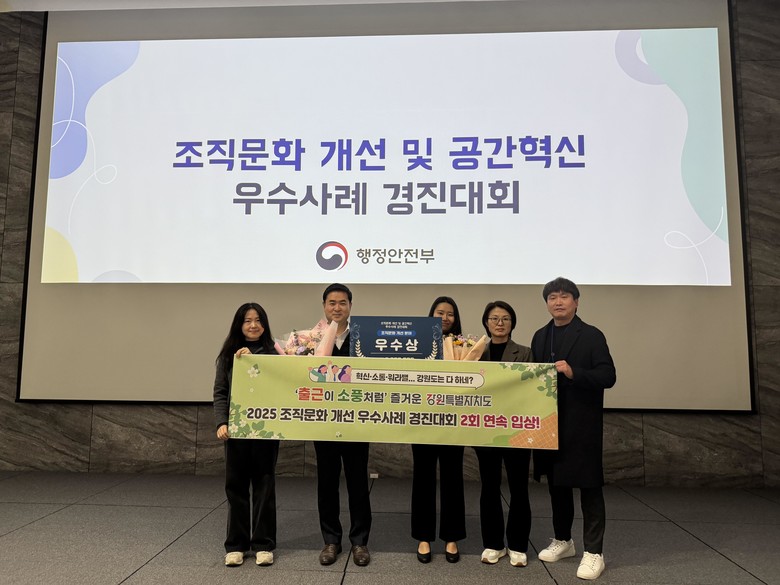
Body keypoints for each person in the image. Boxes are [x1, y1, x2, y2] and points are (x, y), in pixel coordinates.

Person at [531, 278, 616, 580]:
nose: (558, 302)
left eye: (564, 296)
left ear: (576, 302)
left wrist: (573, 372)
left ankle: (594, 552)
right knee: (557, 485)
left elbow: (608, 376)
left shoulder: (591, 335)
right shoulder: (540, 336)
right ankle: (563, 540)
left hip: (582, 424)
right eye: (552, 297)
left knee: (589, 487)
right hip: (550, 423)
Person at [213, 302, 281, 567]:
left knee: (265, 485)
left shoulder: (275, 353)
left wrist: (256, 360)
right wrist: (222, 422)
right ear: (239, 325)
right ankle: (236, 545)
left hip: (266, 430)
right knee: (236, 487)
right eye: (247, 320)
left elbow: (282, 387)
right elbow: (220, 391)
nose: (254, 325)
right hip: (237, 430)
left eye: (258, 320)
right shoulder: (229, 355)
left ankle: (263, 544)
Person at [311, 283, 372, 567]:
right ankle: (331, 540)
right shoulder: (310, 339)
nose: (337, 308)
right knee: (327, 482)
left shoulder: (364, 338)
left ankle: (360, 542)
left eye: (343, 303)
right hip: (324, 422)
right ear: (324, 306)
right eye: (332, 303)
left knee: (358, 482)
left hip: (356, 422)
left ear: (350, 306)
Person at [474, 300, 533, 567]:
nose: (500, 323)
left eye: (505, 318)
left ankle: (518, 545)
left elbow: (531, 390)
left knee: (519, 487)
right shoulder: (475, 354)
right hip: (485, 428)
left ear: (512, 323)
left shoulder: (526, 353)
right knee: (489, 486)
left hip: (516, 429)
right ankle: (493, 544)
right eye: (494, 318)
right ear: (486, 323)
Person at [411, 296, 466, 563]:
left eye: (450, 314)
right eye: (440, 312)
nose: (445, 318)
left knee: (453, 477)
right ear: (430, 315)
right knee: (423, 476)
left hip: (453, 420)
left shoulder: (464, 346)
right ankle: (423, 537)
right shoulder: (416, 343)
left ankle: (451, 537)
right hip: (423, 419)